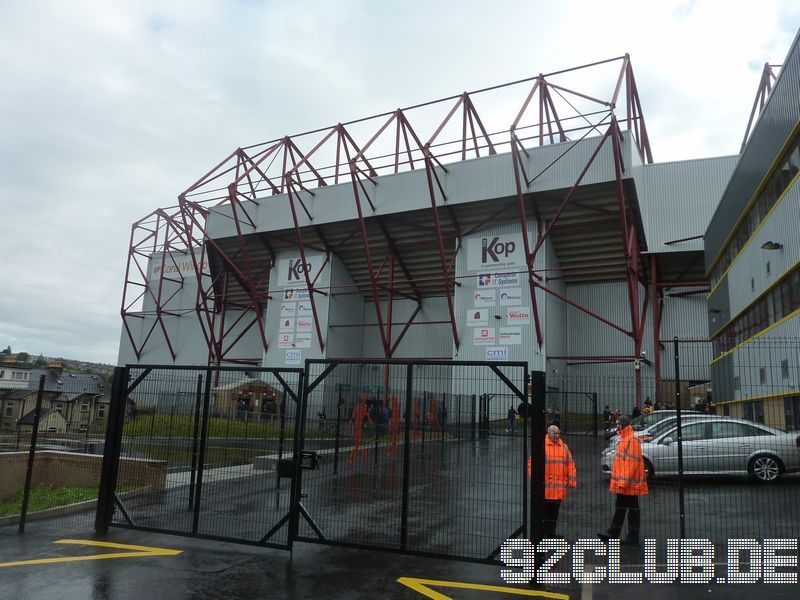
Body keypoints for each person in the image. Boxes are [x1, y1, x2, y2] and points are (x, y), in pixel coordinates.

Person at [599, 415, 648, 546]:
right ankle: (613, 533)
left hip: (628, 484)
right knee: (621, 508)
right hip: (624, 483)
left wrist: (623, 482)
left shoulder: (632, 440)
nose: (616, 426)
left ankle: (631, 536)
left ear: (624, 425)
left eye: (618, 423)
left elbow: (631, 464)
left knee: (631, 509)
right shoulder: (625, 438)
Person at [540, 425, 576, 538]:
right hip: (546, 487)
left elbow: (570, 464)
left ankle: (551, 533)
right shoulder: (543, 447)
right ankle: (543, 532)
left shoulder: (564, 447)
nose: (557, 435)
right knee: (545, 512)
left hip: (559, 487)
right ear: (549, 433)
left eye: (558, 433)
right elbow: (532, 464)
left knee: (554, 512)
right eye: (554, 433)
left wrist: (572, 480)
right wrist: (537, 480)